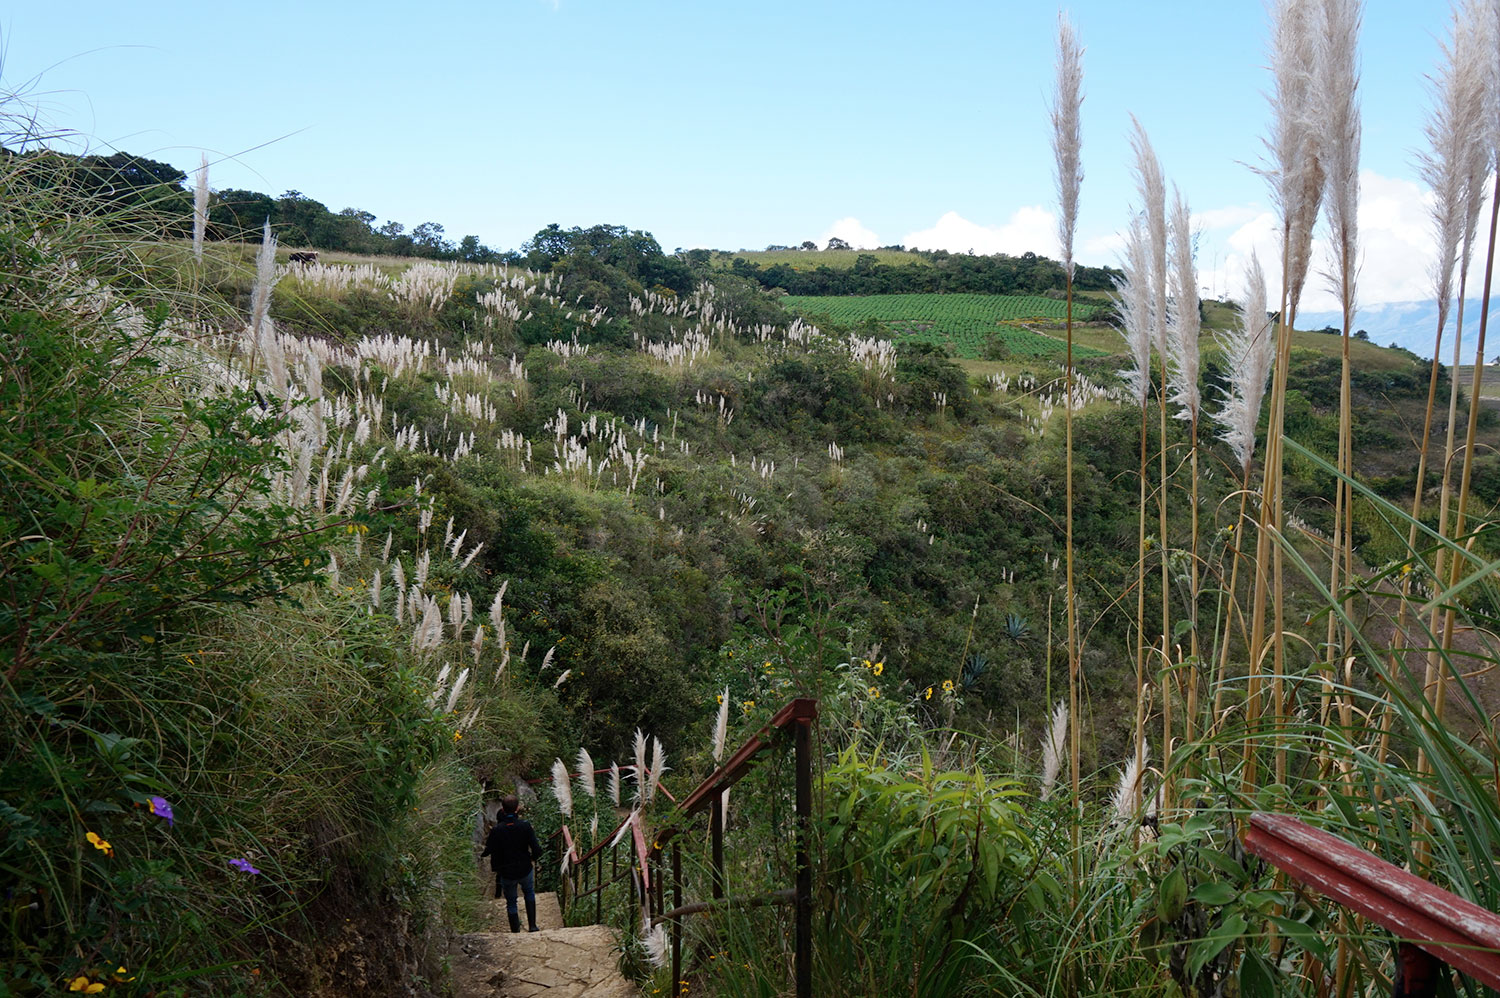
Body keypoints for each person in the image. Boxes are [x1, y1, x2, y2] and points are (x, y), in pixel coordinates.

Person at [480, 795, 544, 933]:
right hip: (525, 868)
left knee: (511, 902)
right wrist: (532, 858)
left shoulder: (497, 830)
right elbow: (537, 848)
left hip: (506, 872)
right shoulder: (525, 826)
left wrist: (483, 854)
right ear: (517, 809)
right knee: (529, 894)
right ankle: (532, 926)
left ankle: (515, 932)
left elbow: (488, 849)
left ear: (503, 809)